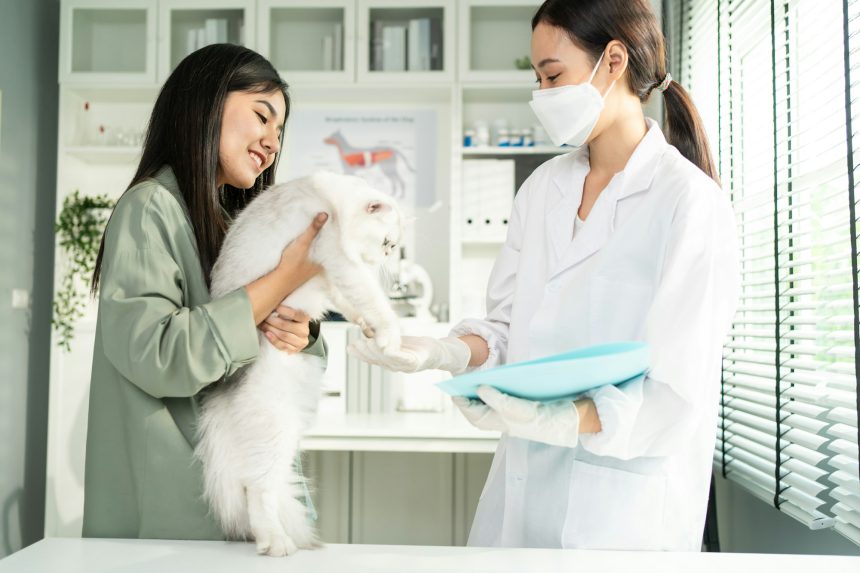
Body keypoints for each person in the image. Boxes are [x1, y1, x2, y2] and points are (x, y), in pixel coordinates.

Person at [349, 0, 739, 551]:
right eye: (537, 78)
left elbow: (677, 394)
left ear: (613, 61)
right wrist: (446, 353)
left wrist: (561, 420)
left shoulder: (689, 203)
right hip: (520, 496)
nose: (542, 94)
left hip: (617, 520)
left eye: (553, 75)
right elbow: (508, 332)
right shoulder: (542, 190)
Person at [83, 44, 328, 540]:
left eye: (279, 132)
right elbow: (156, 354)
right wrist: (281, 279)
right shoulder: (149, 208)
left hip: (237, 504)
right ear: (206, 103)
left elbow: (278, 351)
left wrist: (304, 332)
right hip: (175, 509)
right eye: (262, 116)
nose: (271, 142)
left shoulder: (227, 223)